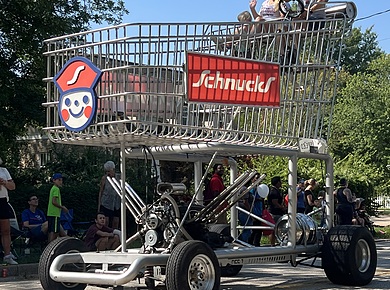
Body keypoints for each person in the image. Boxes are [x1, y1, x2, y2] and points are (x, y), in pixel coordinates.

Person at [0, 157, 17, 265]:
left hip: (2, 201)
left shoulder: (4, 171)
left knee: (6, 230)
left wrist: (4, 182)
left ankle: (7, 255)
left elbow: (13, 186)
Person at [98, 161, 121, 229]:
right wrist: (99, 204)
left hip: (117, 203)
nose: (107, 173)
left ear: (113, 170)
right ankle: (106, 236)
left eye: (109, 171)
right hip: (106, 203)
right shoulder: (104, 178)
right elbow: (101, 191)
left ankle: (115, 236)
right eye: (106, 171)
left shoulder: (119, 177)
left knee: (116, 221)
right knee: (106, 221)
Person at [47, 173, 69, 242]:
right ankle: (51, 248)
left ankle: (48, 247)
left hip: (50, 213)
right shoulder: (56, 189)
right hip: (55, 213)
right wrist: (62, 207)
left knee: (51, 231)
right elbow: (54, 201)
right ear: (54, 180)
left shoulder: (52, 188)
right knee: (55, 232)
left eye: (61, 180)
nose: (60, 182)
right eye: (59, 180)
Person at [267, 176, 286, 245]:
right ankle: (272, 244)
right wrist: (282, 207)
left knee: (276, 228)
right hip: (274, 212)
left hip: (277, 212)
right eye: (280, 182)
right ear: (277, 183)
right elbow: (275, 202)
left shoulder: (276, 191)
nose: (281, 183)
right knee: (274, 228)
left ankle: (275, 242)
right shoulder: (274, 192)